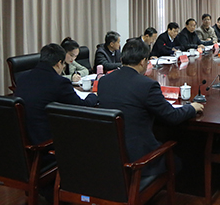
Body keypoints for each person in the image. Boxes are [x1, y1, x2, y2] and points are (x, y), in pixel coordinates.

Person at [97, 39, 204, 175]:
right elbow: (172, 116)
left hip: (110, 156)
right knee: (180, 161)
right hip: (140, 160)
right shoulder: (146, 85)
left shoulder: (104, 81)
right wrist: (192, 107)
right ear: (143, 62)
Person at [14, 43, 98, 146]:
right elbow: (82, 107)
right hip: (46, 140)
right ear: (59, 63)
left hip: (22, 138)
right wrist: (93, 96)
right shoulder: (59, 82)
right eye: (63, 64)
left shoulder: (22, 78)